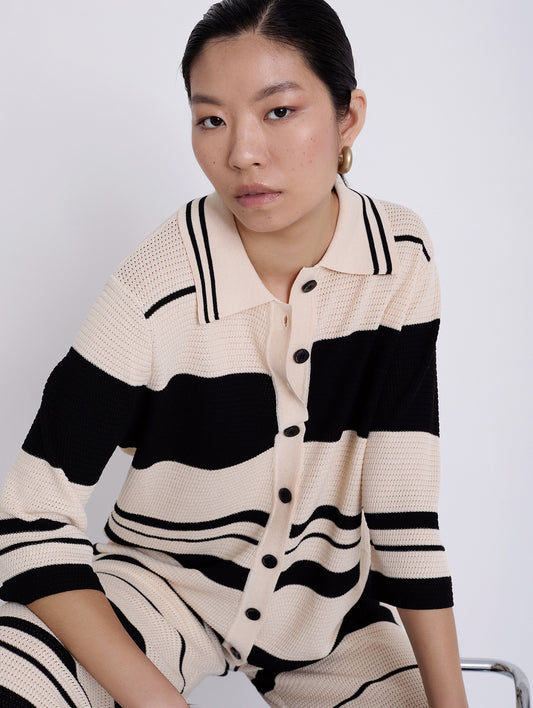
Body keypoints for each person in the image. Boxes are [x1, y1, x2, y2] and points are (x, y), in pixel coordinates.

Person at [0, 0, 469, 706]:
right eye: (211, 119)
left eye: (278, 111)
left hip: (326, 613)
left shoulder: (398, 258)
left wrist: (451, 702)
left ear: (347, 117)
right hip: (157, 591)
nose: (242, 152)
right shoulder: (155, 283)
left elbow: (403, 512)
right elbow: (29, 521)